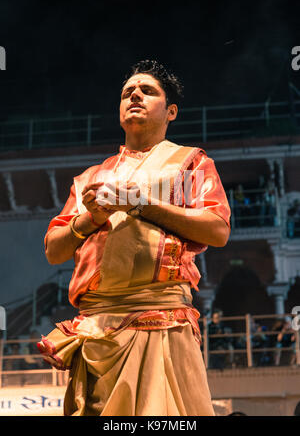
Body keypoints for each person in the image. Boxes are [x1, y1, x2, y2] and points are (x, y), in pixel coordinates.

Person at [37, 59, 231, 416]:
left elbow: (217, 230)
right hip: (97, 331)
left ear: (171, 111)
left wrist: (142, 205)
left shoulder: (189, 164)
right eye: (127, 92)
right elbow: (53, 250)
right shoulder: (90, 178)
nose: (135, 95)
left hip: (162, 324)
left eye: (148, 91)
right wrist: (89, 218)